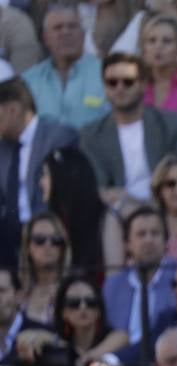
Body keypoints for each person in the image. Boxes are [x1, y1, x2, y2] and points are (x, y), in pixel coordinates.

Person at [78, 53, 177, 213]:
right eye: (112, 82)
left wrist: (131, 198)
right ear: (104, 87)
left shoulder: (172, 125)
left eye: (128, 82)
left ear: (143, 84)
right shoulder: (91, 135)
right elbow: (99, 189)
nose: (120, 88)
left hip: (167, 209)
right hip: (116, 215)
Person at [0, 78, 77, 269]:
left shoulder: (59, 137)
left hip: (47, 233)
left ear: (13, 109)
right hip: (8, 239)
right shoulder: (3, 148)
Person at [8, 272, 126, 366]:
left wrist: (88, 356)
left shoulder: (113, 338)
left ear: (99, 310)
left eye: (90, 302)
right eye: (74, 303)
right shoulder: (52, 337)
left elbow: (123, 337)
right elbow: (24, 338)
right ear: (63, 312)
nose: (82, 307)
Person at [21, 3, 109, 130]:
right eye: (58, 28)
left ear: (83, 35)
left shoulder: (105, 73)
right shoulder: (29, 81)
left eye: (72, 27)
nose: (65, 32)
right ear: (46, 38)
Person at [39, 146, 117, 275]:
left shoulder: (106, 219)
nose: (41, 182)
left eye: (46, 175)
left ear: (62, 177)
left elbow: (113, 277)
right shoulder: (54, 220)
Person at [15, 213, 73, 326]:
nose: (48, 245)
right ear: (27, 247)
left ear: (63, 248)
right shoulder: (17, 292)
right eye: (39, 240)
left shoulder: (74, 290)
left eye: (55, 240)